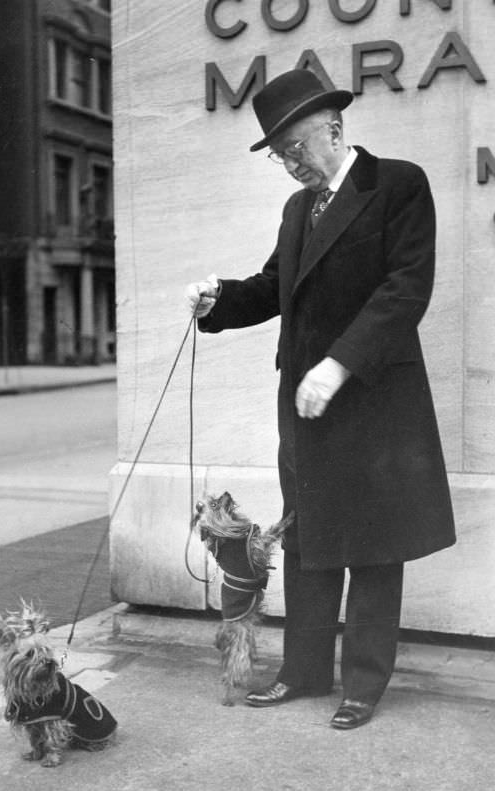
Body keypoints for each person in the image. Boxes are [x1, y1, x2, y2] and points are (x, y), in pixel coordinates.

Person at [186, 68, 455, 730]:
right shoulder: (295, 210)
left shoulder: (398, 185)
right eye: (278, 154)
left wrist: (337, 365)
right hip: (306, 405)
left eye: (295, 148)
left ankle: (363, 683)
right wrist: (218, 299)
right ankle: (302, 672)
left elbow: (405, 289)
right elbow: (275, 284)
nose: (287, 164)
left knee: (372, 542)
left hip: (371, 398)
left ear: (333, 129)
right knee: (306, 538)